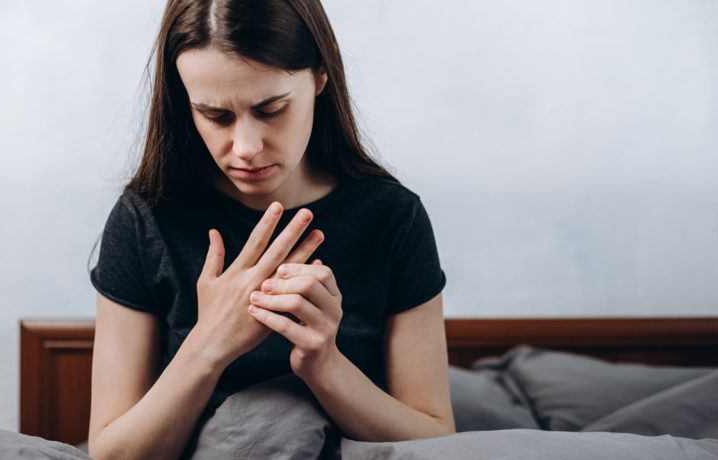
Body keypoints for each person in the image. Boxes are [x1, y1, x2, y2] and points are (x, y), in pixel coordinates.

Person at [87, 0, 454, 458]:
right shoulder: (147, 216)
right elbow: (110, 451)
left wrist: (324, 366)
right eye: (215, 115)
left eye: (271, 109)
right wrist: (209, 344)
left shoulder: (392, 217)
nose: (245, 148)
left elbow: (437, 439)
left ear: (320, 77)